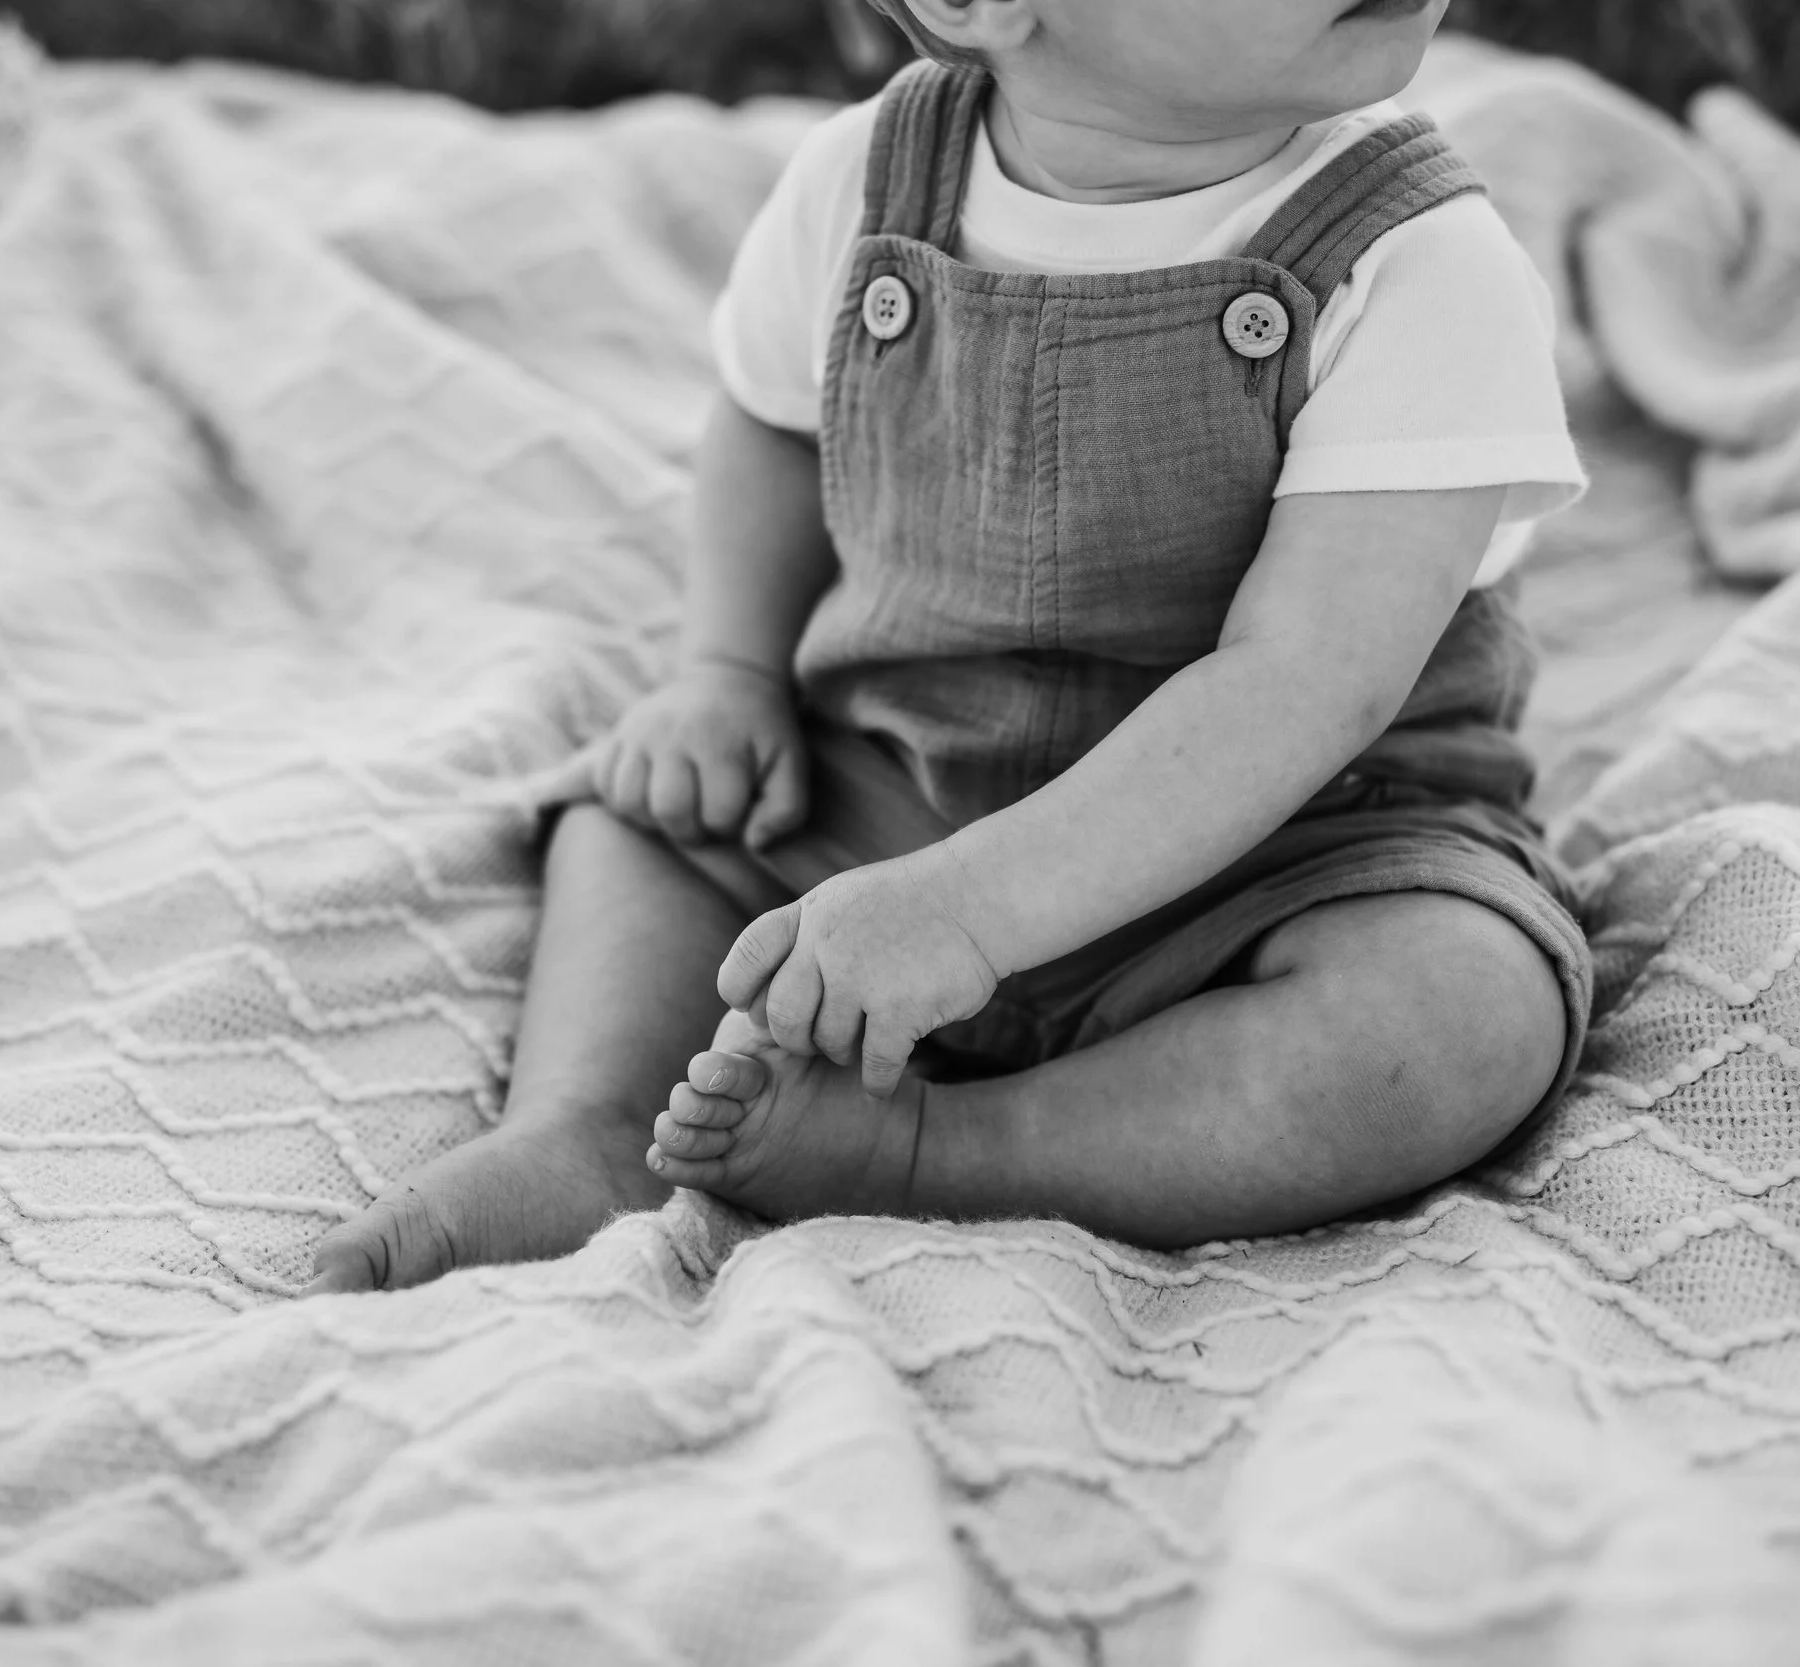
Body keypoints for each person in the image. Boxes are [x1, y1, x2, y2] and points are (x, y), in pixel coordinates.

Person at [306, 0, 1591, 1293]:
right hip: (905, 782)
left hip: (1286, 852)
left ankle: (945, 1149)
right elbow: (769, 423)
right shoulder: (868, 183)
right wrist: (730, 674)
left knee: (1461, 1012)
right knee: (642, 817)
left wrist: (975, 912)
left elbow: (1307, 681)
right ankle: (592, 1127)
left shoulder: (1422, 264)